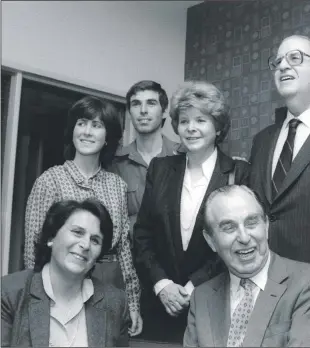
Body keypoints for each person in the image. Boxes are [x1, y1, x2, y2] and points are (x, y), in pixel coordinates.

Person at [134, 81, 249, 343]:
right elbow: (142, 235)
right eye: (184, 121)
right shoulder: (160, 169)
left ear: (218, 127)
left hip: (214, 302)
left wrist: (192, 287)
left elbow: (236, 243)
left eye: (201, 120)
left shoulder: (238, 173)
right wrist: (162, 285)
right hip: (158, 306)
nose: (191, 128)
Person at [24, 96, 142, 336]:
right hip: (61, 289)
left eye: (96, 125)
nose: (87, 132)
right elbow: (33, 250)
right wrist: (38, 302)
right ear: (73, 130)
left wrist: (132, 303)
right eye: (82, 123)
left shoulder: (117, 185)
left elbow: (125, 253)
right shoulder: (50, 181)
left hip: (109, 287)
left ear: (108, 136)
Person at [184, 185, 310, 347]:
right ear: (211, 240)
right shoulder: (201, 297)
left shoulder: (305, 283)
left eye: (251, 223)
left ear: (266, 226)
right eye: (229, 227)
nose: (244, 237)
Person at [2, 199, 130, 347]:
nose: (86, 245)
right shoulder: (9, 294)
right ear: (51, 237)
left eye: (95, 240)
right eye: (77, 232)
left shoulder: (115, 304)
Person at [248, 35, 310, 263]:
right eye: (278, 61)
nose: (283, 65)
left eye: (295, 58)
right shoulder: (261, 141)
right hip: (262, 274)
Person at [109, 80, 179, 237]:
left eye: (151, 103)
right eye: (136, 104)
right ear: (129, 112)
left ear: (164, 111)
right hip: (131, 257)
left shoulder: (183, 156)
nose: (143, 110)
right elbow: (112, 223)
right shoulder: (115, 164)